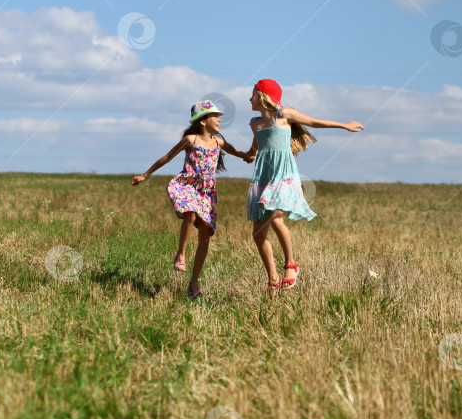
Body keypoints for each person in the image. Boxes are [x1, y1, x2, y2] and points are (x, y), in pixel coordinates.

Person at [245, 79, 363, 295]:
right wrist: (250, 153)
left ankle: (291, 264)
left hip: (283, 175)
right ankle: (273, 278)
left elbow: (314, 122)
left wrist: (344, 125)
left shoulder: (284, 114)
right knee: (258, 234)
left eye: (253, 94)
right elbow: (256, 144)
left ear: (264, 96)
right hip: (264, 177)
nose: (249, 99)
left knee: (276, 219)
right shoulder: (254, 123)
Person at [132, 101, 251, 299]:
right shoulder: (190, 139)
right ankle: (181, 253)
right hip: (187, 185)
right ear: (203, 121)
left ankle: (193, 283)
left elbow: (239, 153)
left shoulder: (218, 142)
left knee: (205, 234)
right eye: (215, 116)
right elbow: (167, 157)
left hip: (207, 192)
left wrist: (248, 155)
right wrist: (145, 175)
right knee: (191, 212)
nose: (219, 119)